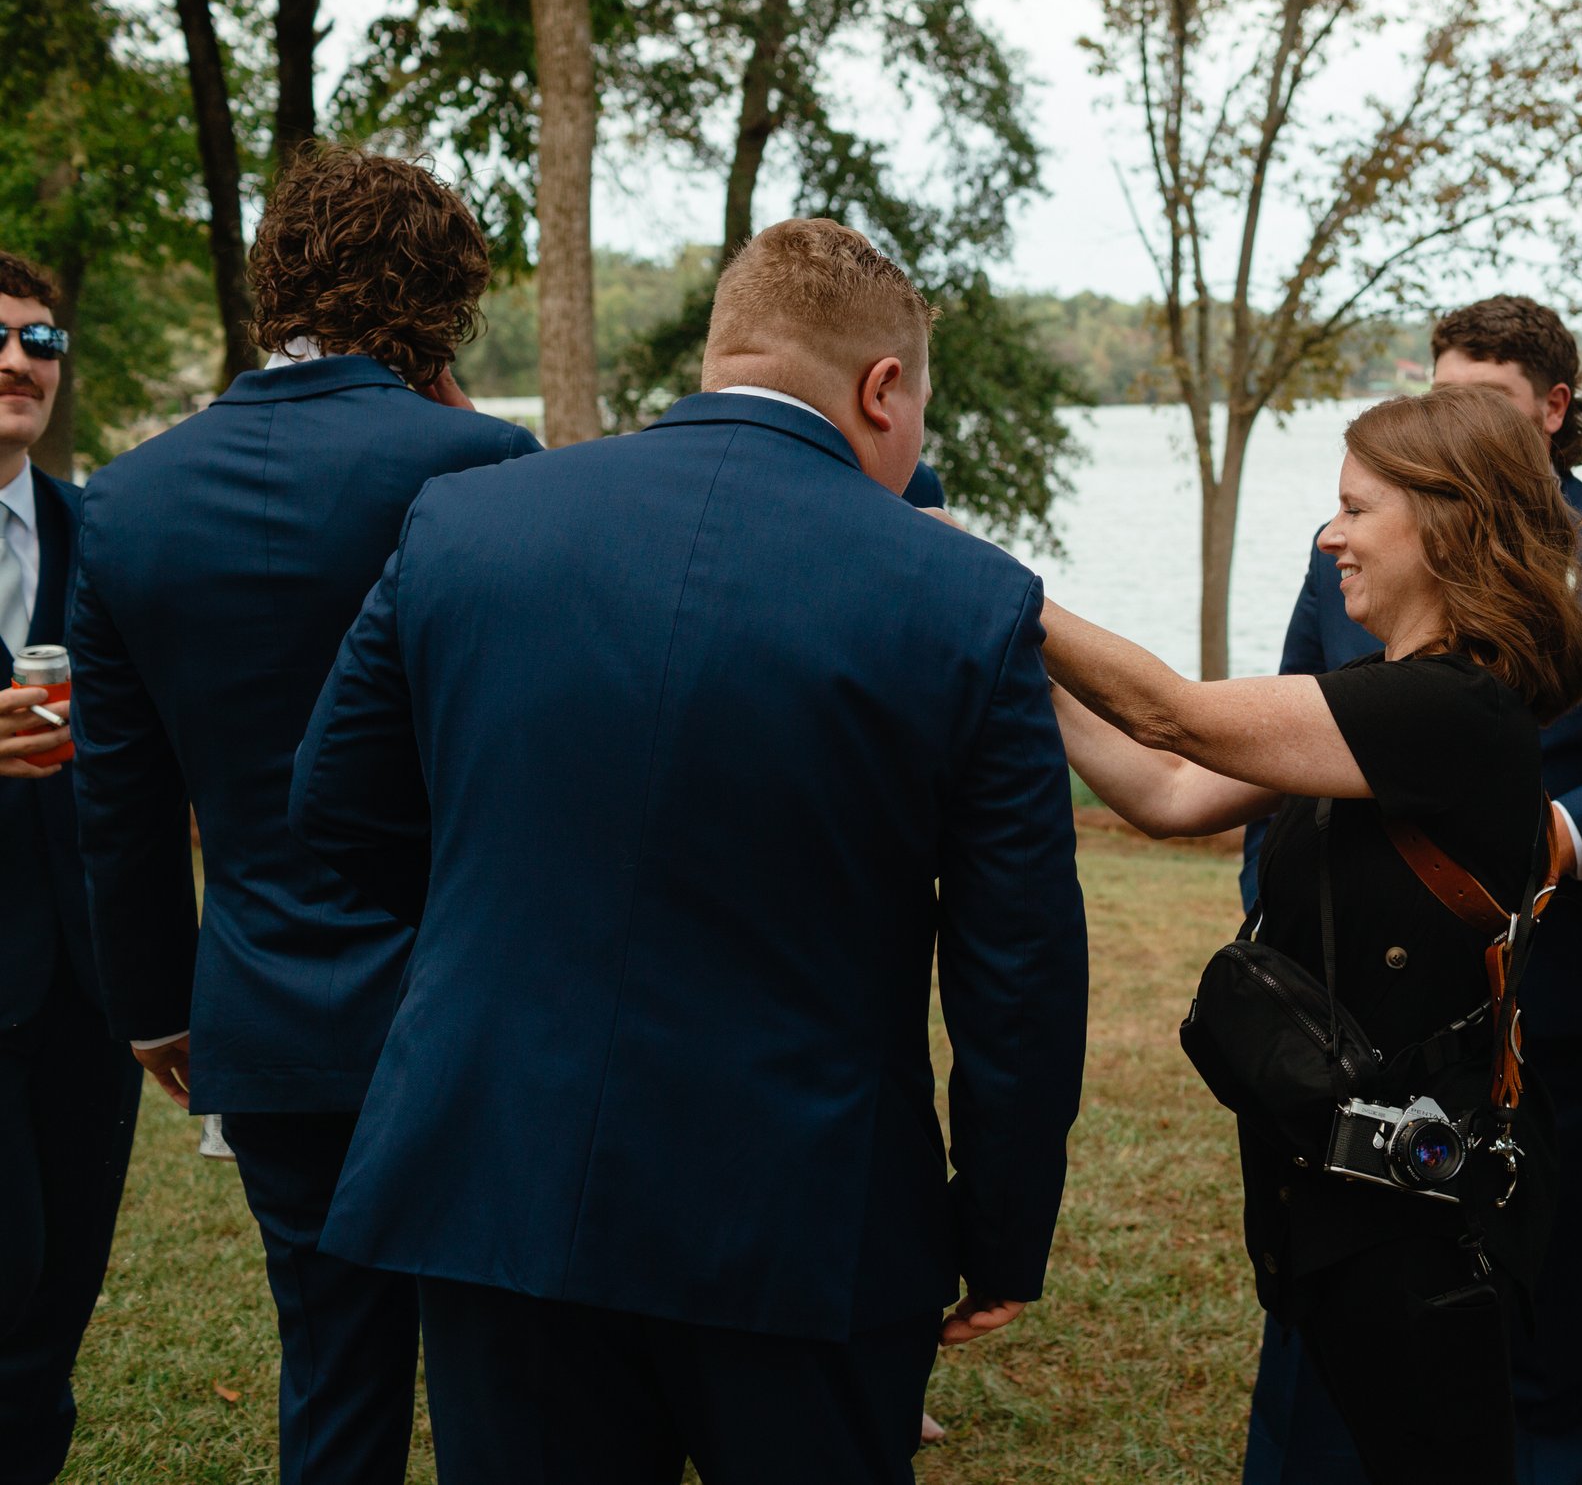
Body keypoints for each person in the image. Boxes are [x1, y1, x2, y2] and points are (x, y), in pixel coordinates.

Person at [286, 219, 1086, 1483]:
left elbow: (334, 810)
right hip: (807, 1213)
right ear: (884, 387)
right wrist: (996, 1230)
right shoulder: (968, 601)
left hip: (502, 1179)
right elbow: (1018, 967)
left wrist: (499, 915)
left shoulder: (466, 523)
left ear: (726, 353)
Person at [1238, 295, 1582, 1485]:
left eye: (1476, 405)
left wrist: (1562, 835)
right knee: (1342, 1245)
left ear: (1552, 408)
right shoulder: (1354, 552)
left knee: (1548, 1255)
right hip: (1377, 992)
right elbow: (1281, 728)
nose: (1445, 428)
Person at [70, 147, 541, 1484]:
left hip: (263, 1012)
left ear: (274, 278)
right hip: (467, 1009)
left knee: (332, 1368)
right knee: (504, 1380)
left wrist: (160, 1004)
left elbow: (123, 793)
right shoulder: (482, 465)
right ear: (441, 301)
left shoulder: (127, 501)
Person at [1048, 381, 1582, 1485]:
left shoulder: (1451, 711)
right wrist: (1016, 657)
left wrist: (1000, 594)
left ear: (1443, 523)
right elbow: (1163, 788)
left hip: (1412, 1220)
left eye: (1354, 507)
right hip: (1345, 1192)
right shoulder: (1376, 701)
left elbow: (1173, 714)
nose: (1328, 535)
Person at [0, 252, 141, 1483]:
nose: (17, 362)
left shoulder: (98, 528)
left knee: (60, 1299)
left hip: (87, 986)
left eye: (39, 342)